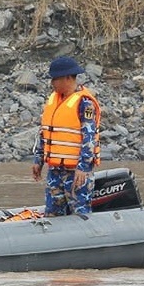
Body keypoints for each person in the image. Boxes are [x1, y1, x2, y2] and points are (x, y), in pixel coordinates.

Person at [32, 56, 101, 216]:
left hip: (75, 172)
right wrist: (39, 160)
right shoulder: (53, 100)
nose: (52, 83)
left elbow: (89, 138)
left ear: (68, 78)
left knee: (80, 213)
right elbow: (45, 133)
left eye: (55, 79)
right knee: (52, 214)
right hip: (55, 170)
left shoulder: (85, 104)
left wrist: (82, 168)